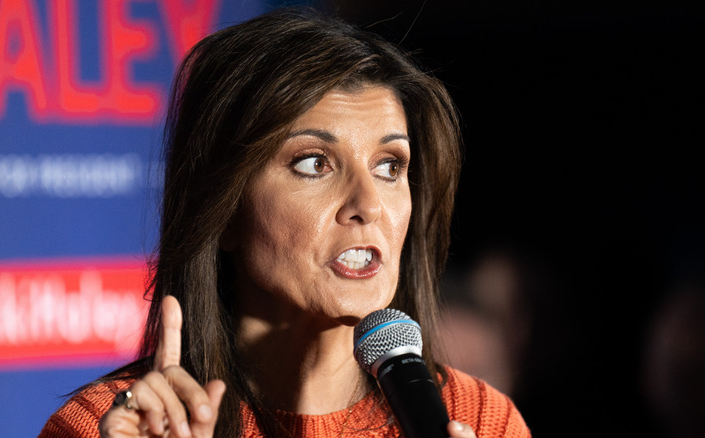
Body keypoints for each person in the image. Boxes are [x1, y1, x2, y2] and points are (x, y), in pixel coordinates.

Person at [39, 7, 530, 438]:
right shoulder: (110, 427)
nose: (368, 203)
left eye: (389, 166)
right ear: (225, 210)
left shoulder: (479, 419)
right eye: (314, 163)